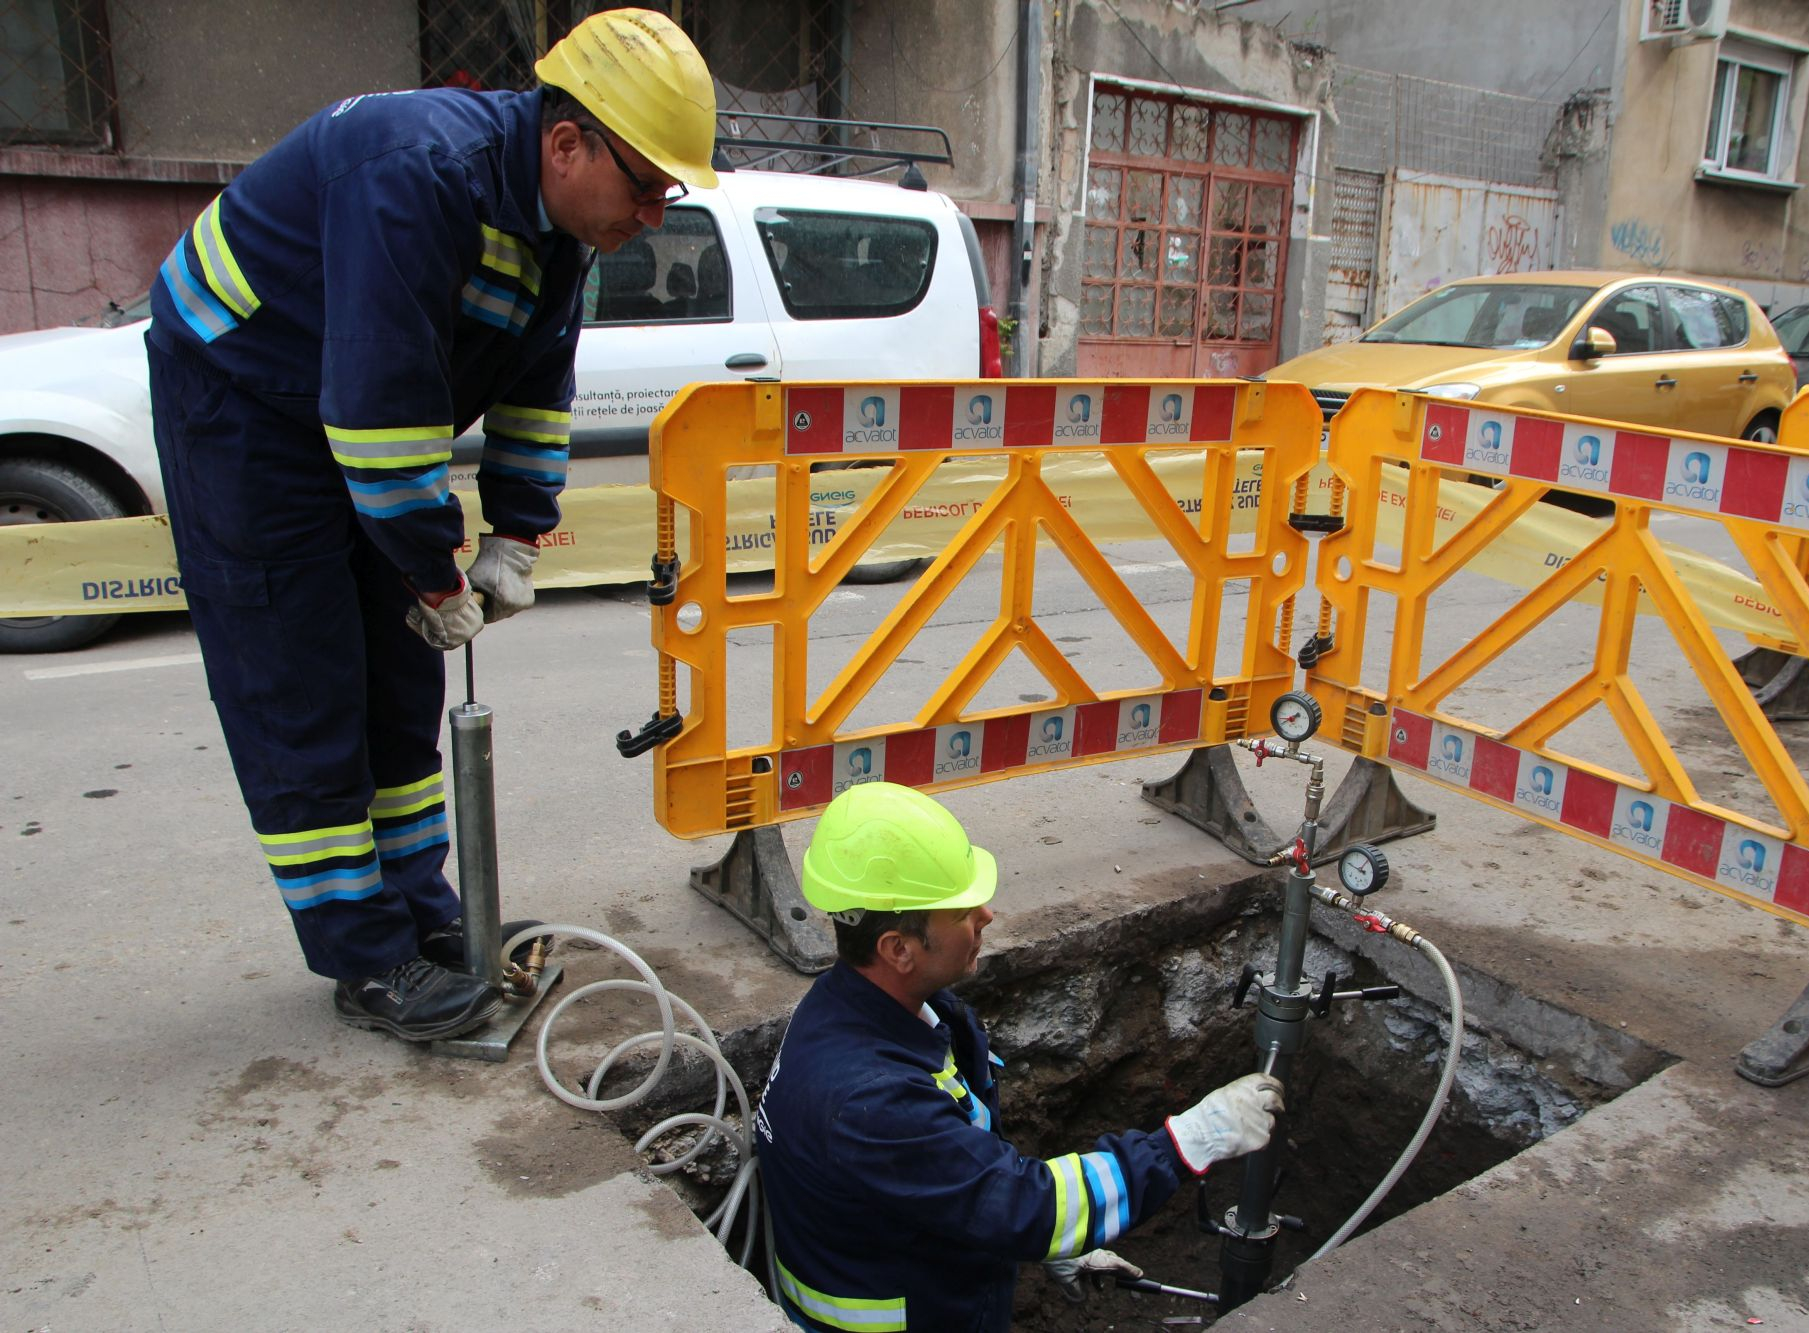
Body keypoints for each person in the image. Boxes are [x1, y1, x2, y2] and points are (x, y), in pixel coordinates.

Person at [142, 10, 718, 1042]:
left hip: (336, 404)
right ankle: (366, 960)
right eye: (645, 185)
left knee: (401, 675)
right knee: (303, 675)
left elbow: (539, 391)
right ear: (566, 143)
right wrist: (438, 576)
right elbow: (379, 424)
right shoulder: (413, 176)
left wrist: (512, 535)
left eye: (668, 194)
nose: (652, 213)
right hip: (241, 397)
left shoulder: (563, 230)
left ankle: (424, 915)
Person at [754, 782, 1285, 1331]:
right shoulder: (871, 1099)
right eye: (962, 910)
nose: (986, 915)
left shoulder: (862, 1010)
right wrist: (1188, 1141)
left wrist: (1039, 1245)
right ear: (898, 949)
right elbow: (1026, 1206)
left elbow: (952, 1181)